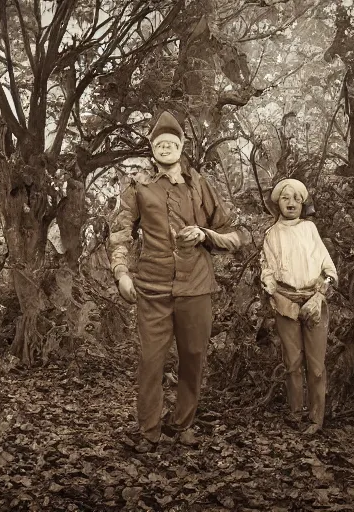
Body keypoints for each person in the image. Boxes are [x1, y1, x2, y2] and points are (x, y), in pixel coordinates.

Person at [107, 111, 247, 451]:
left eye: (172, 143)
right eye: (159, 143)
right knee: (151, 361)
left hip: (196, 287)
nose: (166, 148)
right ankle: (148, 431)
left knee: (194, 356)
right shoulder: (138, 187)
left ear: (181, 147)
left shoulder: (199, 184)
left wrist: (204, 234)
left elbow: (235, 236)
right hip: (152, 288)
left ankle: (183, 424)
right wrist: (122, 273)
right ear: (153, 149)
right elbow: (120, 233)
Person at [260, 178, 337, 434]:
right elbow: (267, 270)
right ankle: (296, 413)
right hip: (285, 303)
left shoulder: (309, 229)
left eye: (296, 199)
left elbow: (329, 270)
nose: (291, 203)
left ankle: (316, 419)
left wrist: (319, 294)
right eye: (285, 198)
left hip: (315, 302)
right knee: (292, 361)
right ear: (278, 203)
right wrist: (273, 290)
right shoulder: (271, 234)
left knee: (316, 365)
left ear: (303, 204)